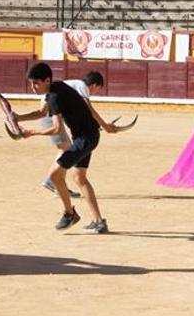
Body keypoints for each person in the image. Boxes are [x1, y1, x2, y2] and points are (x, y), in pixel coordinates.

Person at [14, 63, 117, 234]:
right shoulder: (55, 89)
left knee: (55, 175)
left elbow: (56, 129)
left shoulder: (54, 96)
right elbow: (41, 113)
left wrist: (31, 132)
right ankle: (99, 221)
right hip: (87, 136)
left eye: (36, 83)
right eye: (31, 83)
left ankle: (70, 214)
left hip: (85, 138)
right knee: (79, 178)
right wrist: (19, 118)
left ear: (47, 80)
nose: (32, 87)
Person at [40, 71, 107, 199]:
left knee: (67, 147)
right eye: (98, 89)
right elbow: (89, 110)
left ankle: (56, 184)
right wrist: (104, 125)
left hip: (50, 111)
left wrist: (93, 125)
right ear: (95, 85)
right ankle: (52, 181)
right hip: (49, 113)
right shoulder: (82, 86)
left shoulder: (74, 85)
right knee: (66, 148)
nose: (95, 92)